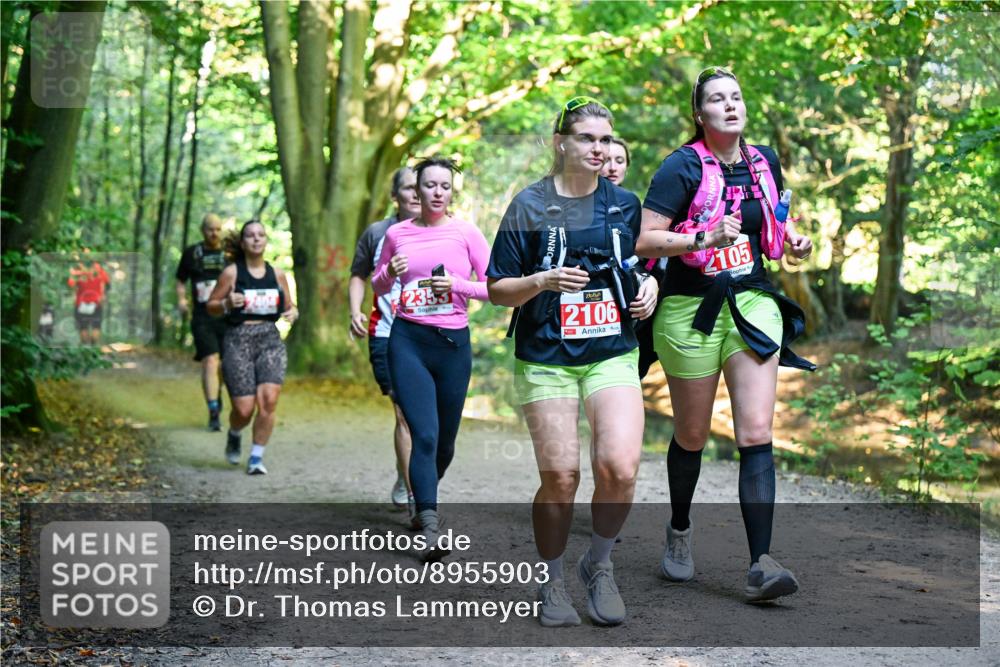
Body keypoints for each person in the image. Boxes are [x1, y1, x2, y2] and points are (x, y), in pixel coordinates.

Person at [635, 66, 814, 603]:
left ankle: (760, 563)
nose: (730, 105)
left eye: (736, 96)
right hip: (690, 308)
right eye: (717, 99)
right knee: (691, 434)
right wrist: (702, 235)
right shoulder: (680, 167)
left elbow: (773, 227)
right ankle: (681, 528)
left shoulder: (764, 161)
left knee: (756, 432)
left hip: (754, 300)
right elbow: (644, 241)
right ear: (700, 114)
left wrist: (795, 241)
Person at [487, 97, 658, 627]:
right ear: (561, 142)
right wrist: (542, 280)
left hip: (612, 351)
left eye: (606, 140)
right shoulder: (528, 205)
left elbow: (647, 262)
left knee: (621, 468)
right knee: (561, 476)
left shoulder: (626, 204)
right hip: (546, 355)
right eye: (587, 138)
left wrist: (652, 284)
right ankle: (553, 579)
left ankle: (599, 564)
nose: (598, 148)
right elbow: (497, 290)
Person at [371, 156, 490, 559]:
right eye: (429, 185)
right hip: (407, 340)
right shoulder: (398, 234)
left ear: (451, 190)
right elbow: (378, 284)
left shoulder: (466, 233)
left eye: (444, 186)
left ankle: (423, 493)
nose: (437, 193)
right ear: (416, 190)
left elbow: (496, 285)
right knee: (423, 434)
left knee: (444, 445)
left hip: (453, 344)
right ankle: (429, 525)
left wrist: (458, 285)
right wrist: (389, 272)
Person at [348, 167, 421, 510]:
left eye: (421, 186)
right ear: (396, 197)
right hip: (388, 332)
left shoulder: (447, 230)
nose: (418, 194)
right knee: (405, 413)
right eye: (409, 188)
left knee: (429, 420)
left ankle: (404, 471)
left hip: (435, 336)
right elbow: (358, 275)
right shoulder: (378, 232)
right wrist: (355, 311)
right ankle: (417, 499)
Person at [206, 220, 298, 474]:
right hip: (238, 339)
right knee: (244, 410)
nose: (256, 239)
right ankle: (235, 432)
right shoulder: (231, 274)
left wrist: (293, 313)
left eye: (260, 235)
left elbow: (289, 306)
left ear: (266, 241)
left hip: (269, 339)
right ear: (243, 242)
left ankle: (256, 457)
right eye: (250, 235)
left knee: (268, 401)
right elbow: (210, 306)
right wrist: (226, 303)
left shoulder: (277, 274)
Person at [176, 213, 229, 432]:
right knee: (210, 360)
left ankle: (216, 393)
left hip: (228, 316)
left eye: (217, 229)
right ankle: (213, 409)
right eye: (210, 229)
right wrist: (181, 300)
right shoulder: (192, 253)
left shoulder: (230, 254)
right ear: (202, 230)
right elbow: (180, 279)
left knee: (225, 365)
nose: (214, 233)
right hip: (202, 316)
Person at [68, 259, 111, 345]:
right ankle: (92, 348)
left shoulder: (78, 275)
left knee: (83, 328)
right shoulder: (101, 274)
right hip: (95, 305)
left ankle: (85, 349)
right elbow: (105, 287)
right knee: (96, 327)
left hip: (81, 305)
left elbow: (71, 286)